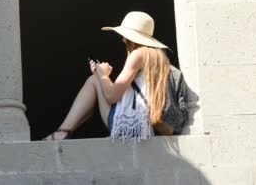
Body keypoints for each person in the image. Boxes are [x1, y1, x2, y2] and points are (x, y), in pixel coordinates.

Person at [43, 11, 170, 142]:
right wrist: (101, 75)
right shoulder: (159, 57)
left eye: (124, 36)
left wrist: (102, 75)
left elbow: (112, 97)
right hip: (145, 124)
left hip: (128, 125)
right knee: (96, 79)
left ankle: (62, 132)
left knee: (93, 81)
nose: (123, 39)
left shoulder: (138, 54)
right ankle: (65, 131)